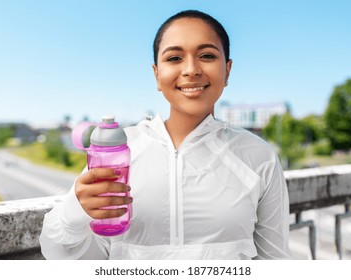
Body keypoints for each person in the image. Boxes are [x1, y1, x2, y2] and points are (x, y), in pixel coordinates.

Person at [40, 9, 291, 260]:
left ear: (227, 71)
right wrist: (74, 212)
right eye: (174, 58)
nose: (191, 70)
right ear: (157, 75)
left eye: (206, 55)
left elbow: (276, 261)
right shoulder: (119, 151)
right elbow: (72, 258)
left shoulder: (259, 157)